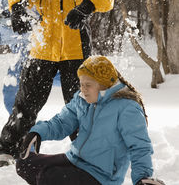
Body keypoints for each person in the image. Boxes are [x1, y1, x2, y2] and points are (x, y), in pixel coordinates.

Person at [0, 0, 115, 167]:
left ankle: (87, 152)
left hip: (75, 49)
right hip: (43, 46)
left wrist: (84, 8)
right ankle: (10, 147)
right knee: (26, 102)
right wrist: (16, 8)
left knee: (81, 104)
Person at [16, 56, 166, 185]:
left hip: (101, 176)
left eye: (88, 85)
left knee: (48, 177)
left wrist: (142, 177)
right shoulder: (82, 99)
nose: (83, 89)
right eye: (81, 84)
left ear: (103, 85)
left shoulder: (127, 108)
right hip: (75, 160)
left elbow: (139, 147)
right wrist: (37, 133)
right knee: (24, 163)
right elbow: (62, 122)